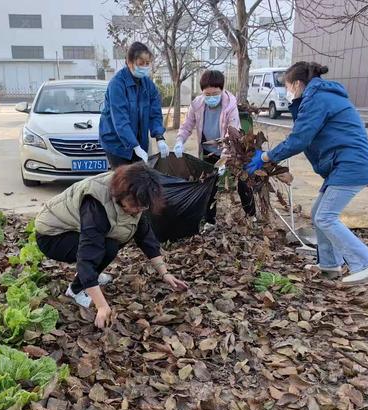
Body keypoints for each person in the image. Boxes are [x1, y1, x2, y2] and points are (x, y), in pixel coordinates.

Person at [246, 61, 368, 284]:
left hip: (351, 164)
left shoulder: (317, 98)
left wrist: (265, 157)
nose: (287, 91)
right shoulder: (318, 96)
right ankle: (330, 264)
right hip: (344, 163)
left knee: (326, 216)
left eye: (288, 86)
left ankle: (366, 263)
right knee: (319, 212)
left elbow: (300, 139)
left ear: (298, 84)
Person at [35, 163, 188, 328]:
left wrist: (164, 273)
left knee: (113, 240)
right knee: (106, 247)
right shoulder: (96, 203)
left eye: (143, 207)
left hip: (74, 230)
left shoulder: (135, 201)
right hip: (52, 236)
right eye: (135, 205)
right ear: (123, 194)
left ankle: (91, 277)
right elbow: (87, 255)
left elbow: (145, 237)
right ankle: (75, 290)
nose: (138, 210)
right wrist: (101, 306)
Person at [174, 70, 256, 227]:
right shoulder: (197, 104)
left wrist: (224, 159)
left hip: (232, 151)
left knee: (243, 183)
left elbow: (232, 133)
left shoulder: (230, 104)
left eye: (215, 93)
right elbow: (186, 126)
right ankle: (209, 221)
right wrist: (179, 141)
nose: (211, 97)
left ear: (222, 89)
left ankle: (251, 216)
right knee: (209, 185)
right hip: (209, 150)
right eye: (207, 94)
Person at [99, 42, 169, 168]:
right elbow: (120, 120)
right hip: (116, 144)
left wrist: (160, 137)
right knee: (123, 181)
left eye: (147, 64)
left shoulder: (148, 85)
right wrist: (134, 145)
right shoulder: (117, 84)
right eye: (140, 64)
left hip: (139, 140)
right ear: (129, 62)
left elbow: (155, 114)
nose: (145, 67)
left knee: (140, 179)